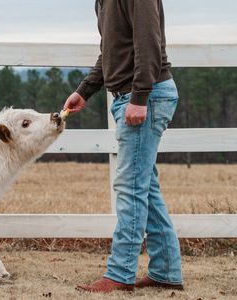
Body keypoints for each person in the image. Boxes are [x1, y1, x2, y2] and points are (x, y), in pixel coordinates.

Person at [64, 0, 184, 293]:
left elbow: (148, 44)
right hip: (130, 96)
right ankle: (166, 271)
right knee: (145, 187)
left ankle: (120, 274)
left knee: (130, 187)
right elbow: (111, 50)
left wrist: (140, 97)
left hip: (145, 96)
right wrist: (85, 90)